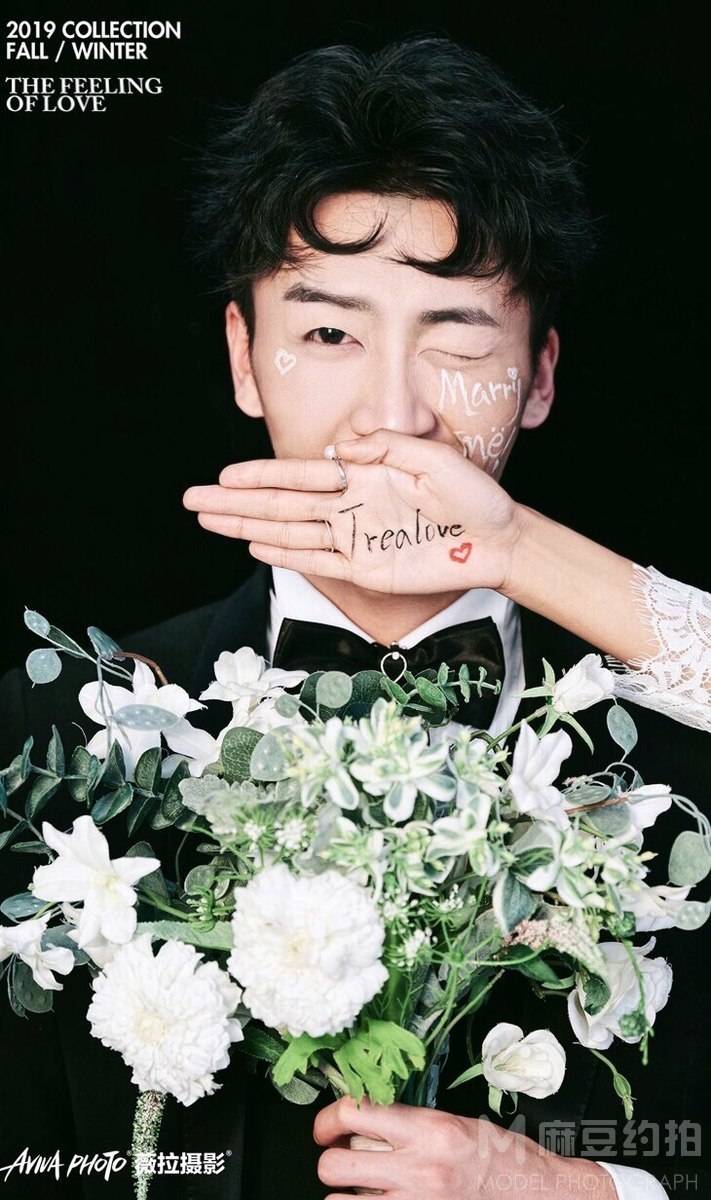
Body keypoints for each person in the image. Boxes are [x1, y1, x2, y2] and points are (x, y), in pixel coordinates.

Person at [1, 36, 709, 1200]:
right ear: (245, 360)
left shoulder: (676, 751)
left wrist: (589, 1193)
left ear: (538, 375)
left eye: (456, 333)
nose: (394, 414)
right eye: (329, 333)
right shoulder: (62, 738)